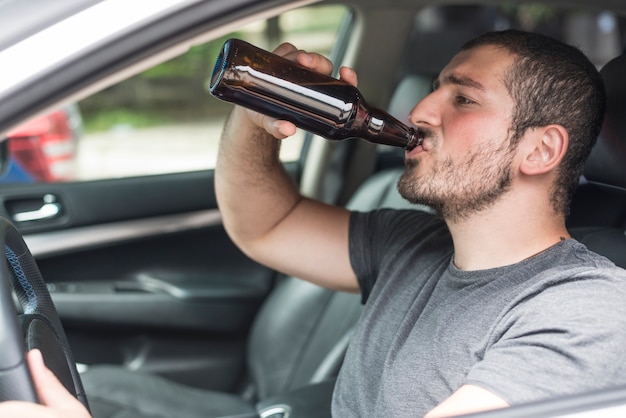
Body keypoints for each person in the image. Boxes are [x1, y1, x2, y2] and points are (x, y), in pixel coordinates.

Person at [2, 28, 626, 417]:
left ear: (540, 151)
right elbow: (265, 225)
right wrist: (257, 121)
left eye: (462, 98)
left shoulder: (586, 311)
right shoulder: (414, 243)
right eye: (434, 88)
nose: (421, 109)